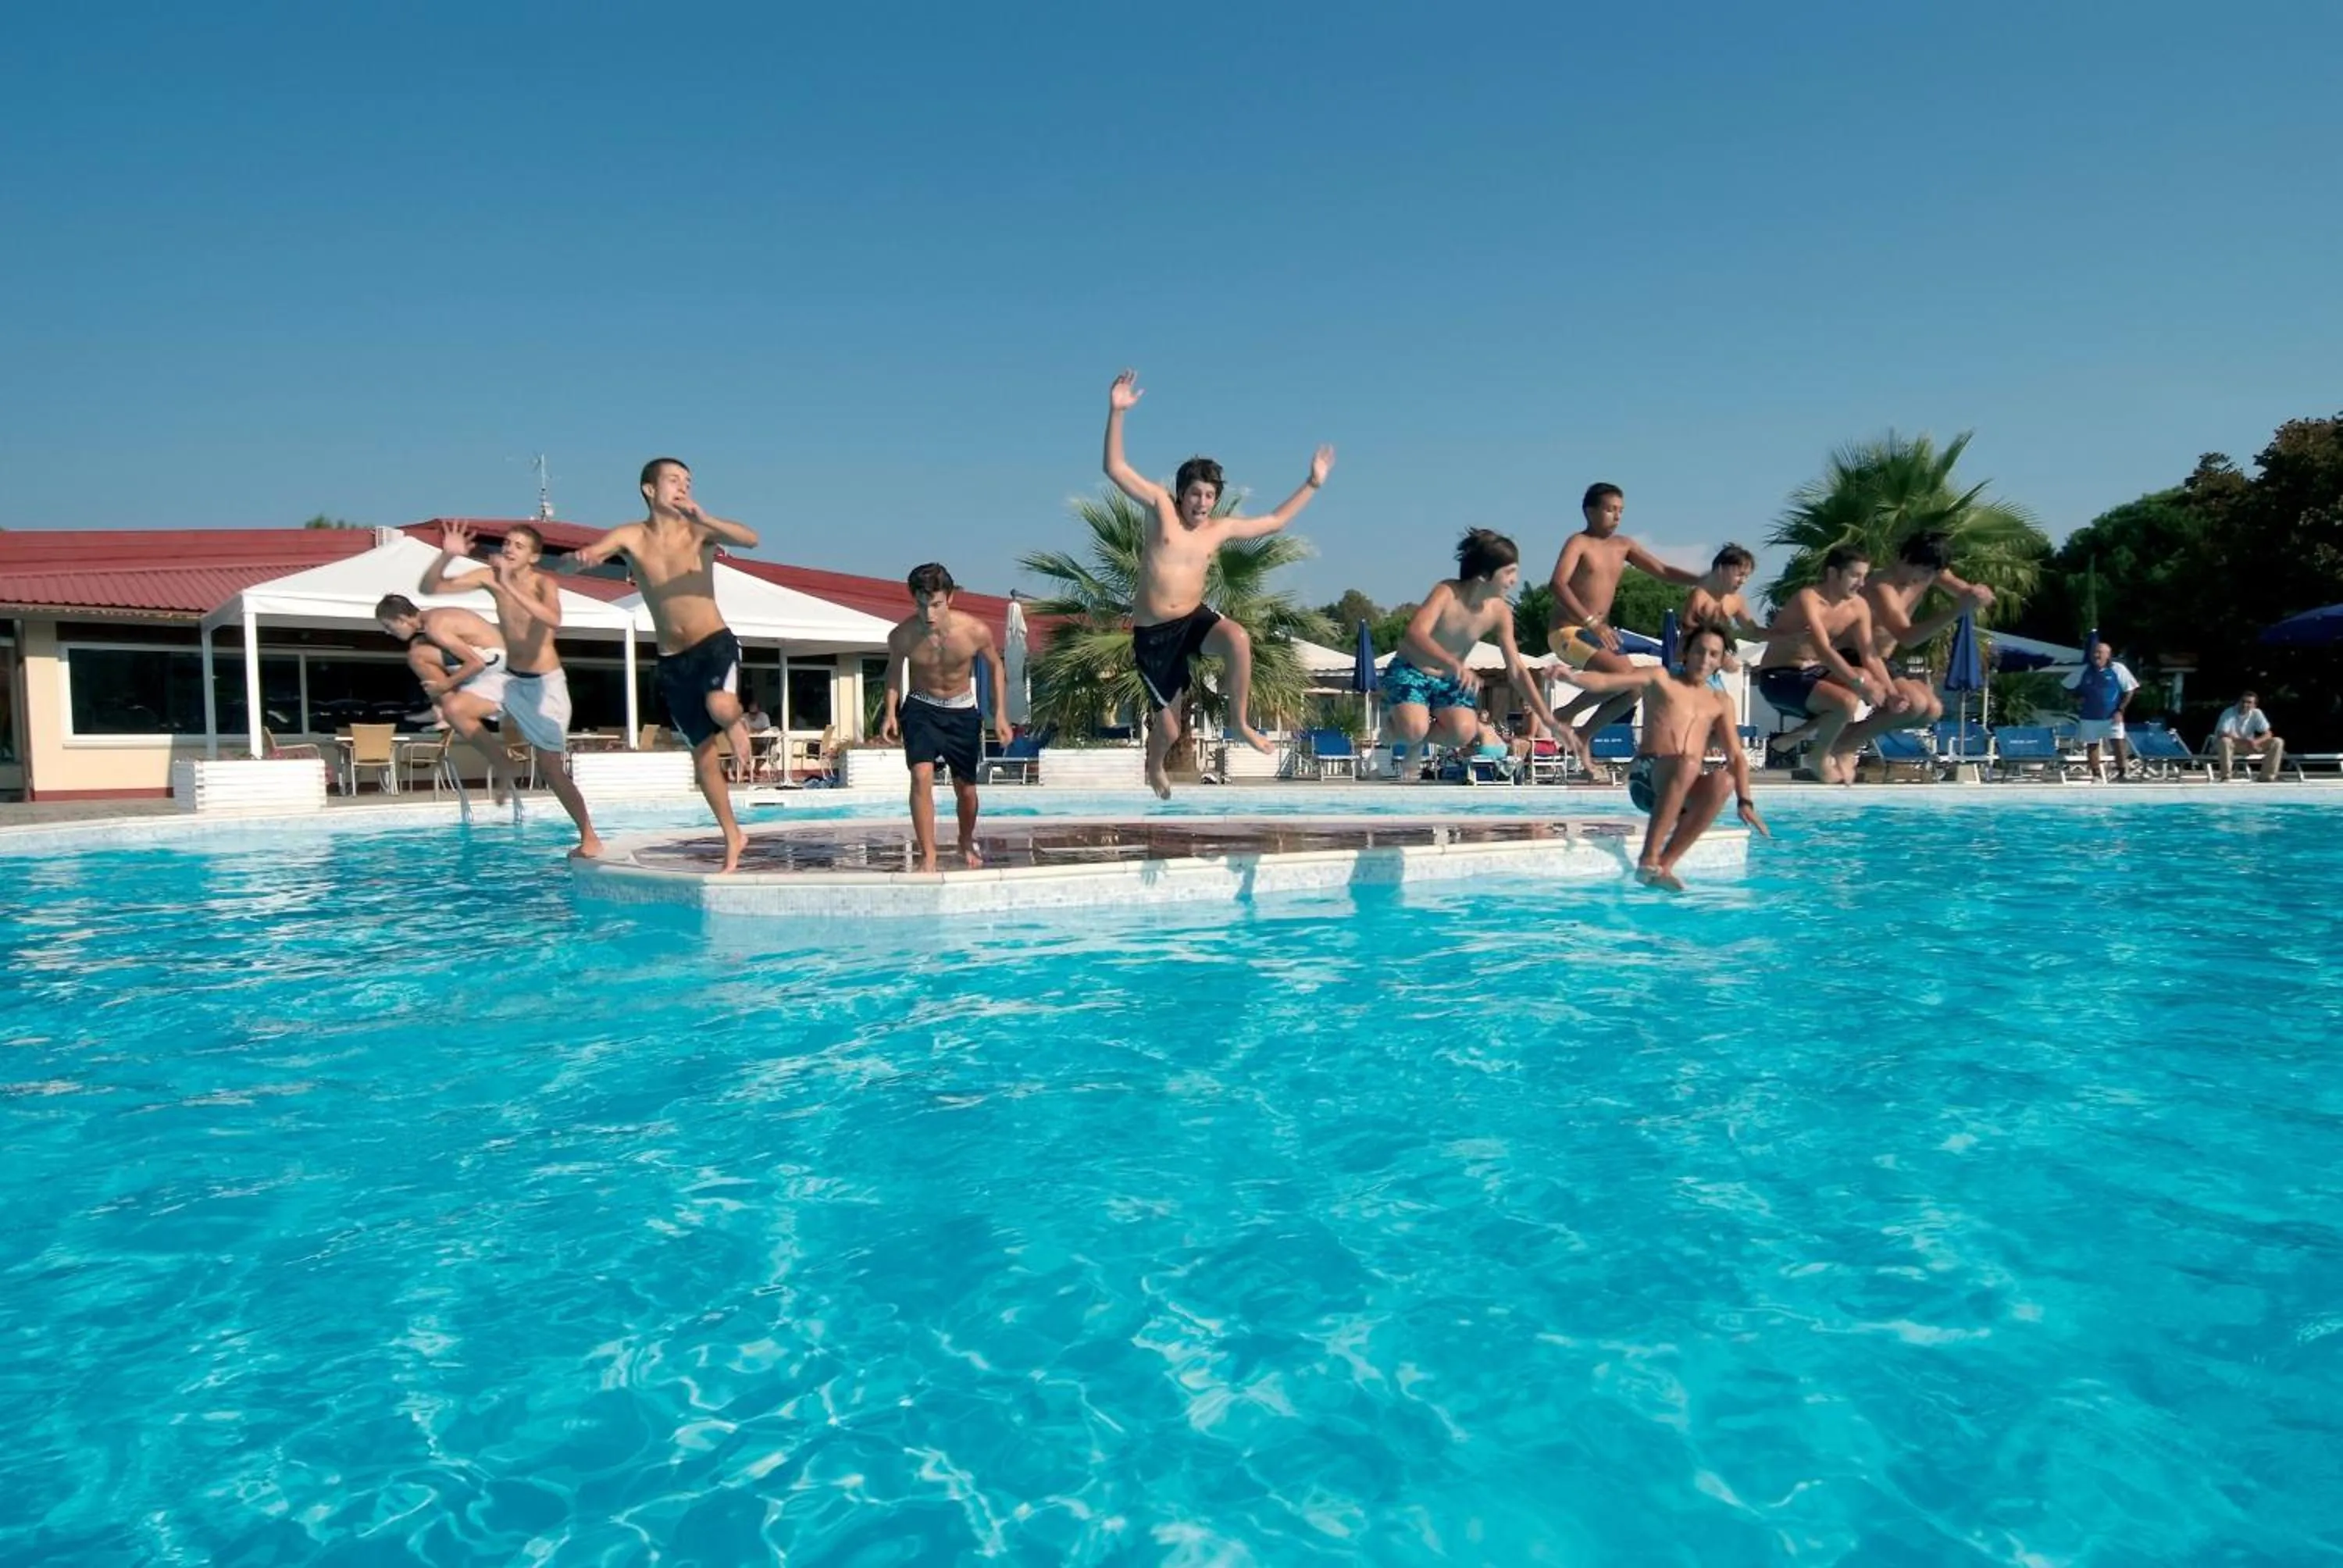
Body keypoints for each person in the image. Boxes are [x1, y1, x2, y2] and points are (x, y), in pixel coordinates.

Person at [1101, 369, 1334, 799]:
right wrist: (1117, 413)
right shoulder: (1159, 509)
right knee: (1168, 727)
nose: (1202, 504)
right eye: (1195, 494)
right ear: (1181, 493)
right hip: (1154, 634)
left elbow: (1275, 522)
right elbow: (1114, 467)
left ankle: (1240, 722)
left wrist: (1312, 484)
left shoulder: (1218, 529)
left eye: (1209, 496)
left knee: (1239, 638)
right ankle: (1155, 765)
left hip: (1193, 617)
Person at [574, 458, 761, 872]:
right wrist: (591, 554)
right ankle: (733, 833)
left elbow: (752, 538)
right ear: (649, 489)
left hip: (714, 643)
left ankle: (737, 725)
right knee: (702, 756)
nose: (682, 487)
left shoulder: (699, 529)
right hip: (672, 660)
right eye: (673, 480)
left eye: (688, 482)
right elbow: (605, 545)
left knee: (720, 703)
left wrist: (706, 516)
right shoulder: (634, 535)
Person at [419, 522, 604, 857]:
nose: (509, 549)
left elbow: (552, 619)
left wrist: (507, 583)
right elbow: (432, 587)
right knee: (456, 709)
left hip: (545, 686)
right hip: (510, 678)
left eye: (519, 546)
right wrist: (446, 556)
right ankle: (503, 763)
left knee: (551, 769)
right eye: (507, 543)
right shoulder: (489, 578)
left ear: (533, 557)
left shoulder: (543, 583)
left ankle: (589, 835)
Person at [1556, 620, 1769, 889]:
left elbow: (1736, 756)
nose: (1705, 659)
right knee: (1690, 764)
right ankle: (1648, 859)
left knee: (1723, 781)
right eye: (1699, 651)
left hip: (1682, 783)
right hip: (1647, 778)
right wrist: (1572, 677)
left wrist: (1745, 801)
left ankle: (1663, 867)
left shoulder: (1720, 702)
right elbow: (1609, 680)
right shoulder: (1660, 679)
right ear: (1685, 653)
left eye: (1713, 654)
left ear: (1720, 661)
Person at [1777, 531, 1994, 759]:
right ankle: (1839, 746)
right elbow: (1907, 637)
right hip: (1854, 655)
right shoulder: (1882, 587)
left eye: (1932, 572)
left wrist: (1980, 593)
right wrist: (1957, 610)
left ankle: (1835, 738)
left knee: (1932, 710)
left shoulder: (1929, 573)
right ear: (1904, 558)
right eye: (1922, 570)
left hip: (1883, 660)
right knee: (1915, 704)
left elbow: (1966, 591)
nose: (1924, 578)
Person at [1382, 528, 1564, 781]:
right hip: (1411, 670)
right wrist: (1453, 662)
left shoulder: (1500, 612)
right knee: (1414, 728)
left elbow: (1516, 669)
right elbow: (1415, 633)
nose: (1515, 580)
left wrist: (1544, 714)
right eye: (1509, 572)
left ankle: (1416, 740)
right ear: (1483, 577)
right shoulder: (1446, 592)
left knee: (1462, 733)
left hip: (1448, 678)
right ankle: (1395, 728)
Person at [1545, 482, 1703, 753]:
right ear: (1589, 512)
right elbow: (1557, 584)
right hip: (1568, 631)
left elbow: (1663, 570)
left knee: (1634, 688)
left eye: (1621, 510)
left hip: (1596, 634)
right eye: (1609, 509)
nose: (1617, 516)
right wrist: (1592, 623)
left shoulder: (1623, 545)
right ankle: (1565, 713)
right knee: (1623, 674)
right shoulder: (1579, 542)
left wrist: (1703, 579)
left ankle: (1583, 736)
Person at [879, 563, 1013, 871]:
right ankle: (928, 855)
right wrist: (890, 711)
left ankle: (965, 839)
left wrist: (1000, 714)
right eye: (922, 605)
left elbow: (996, 666)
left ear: (950, 599)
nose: (929, 614)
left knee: (966, 790)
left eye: (936, 605)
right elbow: (892, 672)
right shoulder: (902, 635)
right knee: (920, 776)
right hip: (921, 708)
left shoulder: (975, 631)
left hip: (962, 711)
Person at [1753, 543, 1904, 783]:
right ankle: (1818, 757)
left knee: (1864, 676)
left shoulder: (1858, 606)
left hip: (1814, 672)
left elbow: (1870, 654)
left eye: (1864, 576)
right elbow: (1823, 649)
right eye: (1855, 576)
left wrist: (1892, 692)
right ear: (1833, 574)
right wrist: (1857, 683)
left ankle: (1801, 733)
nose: (1861, 584)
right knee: (1847, 700)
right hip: (1778, 678)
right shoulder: (1809, 599)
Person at [373, 591, 526, 816]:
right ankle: (442, 710)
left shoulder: (436, 625)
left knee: (417, 656)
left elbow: (475, 663)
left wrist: (444, 687)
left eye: (389, 626)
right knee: (418, 647)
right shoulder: (428, 628)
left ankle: (443, 711)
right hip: (488, 658)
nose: (388, 632)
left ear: (402, 619)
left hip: (493, 660)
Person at [2061, 641, 2138, 782]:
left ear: (2108, 655)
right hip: (2089, 716)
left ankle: (2122, 773)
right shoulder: (2084, 670)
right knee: (2092, 744)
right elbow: (2066, 686)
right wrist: (2076, 700)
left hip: (2112, 715)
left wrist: (2120, 710)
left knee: (2118, 742)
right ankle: (2096, 775)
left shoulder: (2118, 669)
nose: (2096, 655)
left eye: (2100, 653)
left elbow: (2130, 690)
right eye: (2094, 653)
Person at [2210, 690, 2286, 781]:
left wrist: (2256, 742)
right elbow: (2222, 733)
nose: (2245, 705)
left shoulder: (2257, 713)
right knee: (2225, 741)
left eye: (2249, 702)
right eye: (2243, 701)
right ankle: (2226, 776)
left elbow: (2268, 733)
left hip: (2248, 746)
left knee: (2277, 741)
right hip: (2227, 745)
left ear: (2254, 705)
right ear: (2239, 702)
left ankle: (2267, 776)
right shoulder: (2229, 712)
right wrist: (2247, 742)